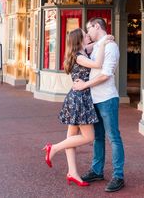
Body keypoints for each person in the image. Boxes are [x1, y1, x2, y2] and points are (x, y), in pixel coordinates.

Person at [42, 28, 111, 187]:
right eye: (85, 35)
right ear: (80, 41)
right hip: (80, 100)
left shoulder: (82, 52)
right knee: (89, 137)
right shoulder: (79, 57)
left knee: (71, 139)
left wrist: (104, 39)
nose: (88, 36)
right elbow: (98, 64)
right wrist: (104, 44)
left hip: (77, 98)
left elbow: (93, 46)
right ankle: (54, 148)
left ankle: (72, 172)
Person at [73, 17, 125, 193]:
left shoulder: (111, 47)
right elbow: (80, 49)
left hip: (108, 99)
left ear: (97, 26)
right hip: (94, 99)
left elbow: (105, 75)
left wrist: (84, 85)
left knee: (114, 138)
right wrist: (102, 41)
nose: (87, 33)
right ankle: (97, 171)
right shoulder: (98, 45)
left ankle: (118, 176)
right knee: (98, 138)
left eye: (89, 29)